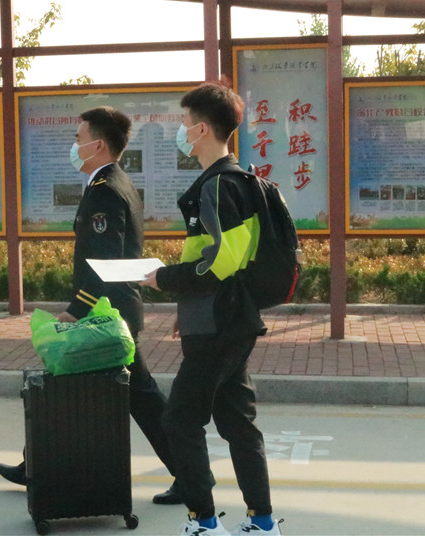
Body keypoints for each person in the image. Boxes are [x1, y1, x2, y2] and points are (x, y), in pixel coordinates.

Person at [0, 106, 181, 505]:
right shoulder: (116, 183)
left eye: (78, 139)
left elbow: (104, 262)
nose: (74, 145)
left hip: (105, 315)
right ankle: (34, 466)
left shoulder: (105, 191)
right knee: (129, 394)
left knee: (86, 388)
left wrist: (77, 310)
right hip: (114, 311)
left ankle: (192, 475)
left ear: (97, 145)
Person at [141, 83, 284, 535]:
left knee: (180, 421)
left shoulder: (220, 187)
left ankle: (204, 523)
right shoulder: (237, 180)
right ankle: (262, 523)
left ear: (202, 129)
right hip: (231, 318)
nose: (181, 132)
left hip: (218, 323)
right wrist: (184, 298)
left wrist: (164, 277)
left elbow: (221, 263)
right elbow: (218, 258)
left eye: (184, 124)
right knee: (238, 425)